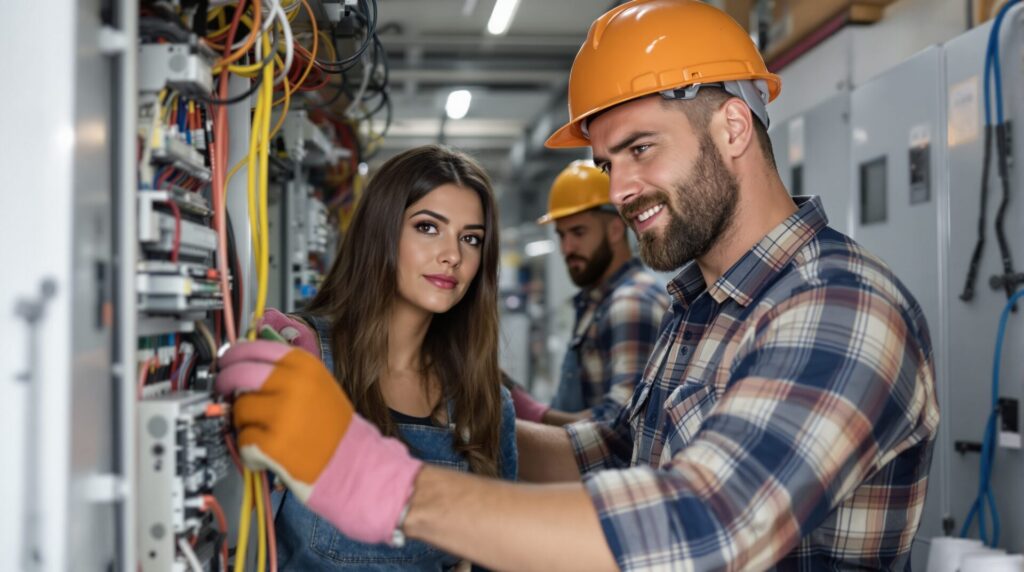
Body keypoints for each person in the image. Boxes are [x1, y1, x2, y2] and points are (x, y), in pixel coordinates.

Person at [217, 1, 939, 569]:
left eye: (641, 149)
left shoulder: (841, 309)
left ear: (732, 127)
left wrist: (370, 477)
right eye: (606, 164)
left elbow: (704, 527)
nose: (620, 190)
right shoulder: (700, 308)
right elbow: (618, 455)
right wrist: (454, 407)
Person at [255, 144, 517, 570]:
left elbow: (498, 556)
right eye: (429, 228)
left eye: (471, 239)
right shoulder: (304, 362)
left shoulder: (482, 401)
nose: (453, 255)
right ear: (381, 229)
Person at [507, 160, 667, 426]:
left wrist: (534, 414)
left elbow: (621, 427)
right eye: (561, 235)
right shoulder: (597, 301)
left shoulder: (631, 303)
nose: (566, 248)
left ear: (615, 229)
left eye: (578, 232)